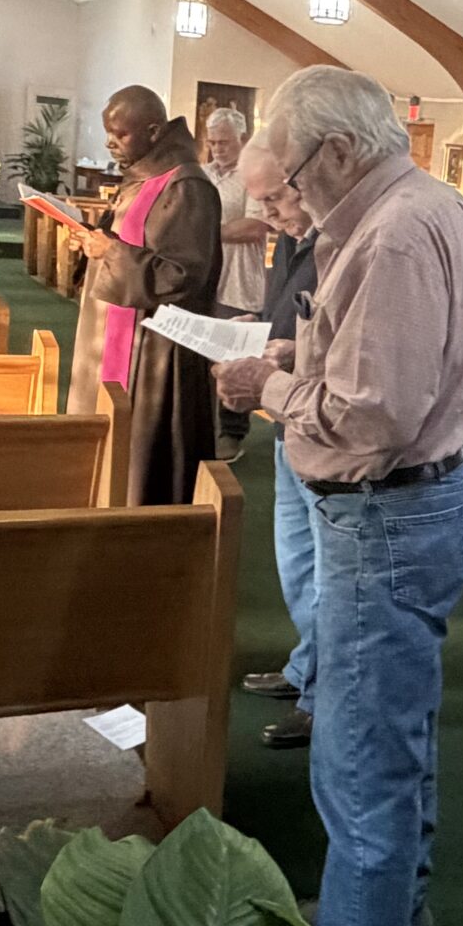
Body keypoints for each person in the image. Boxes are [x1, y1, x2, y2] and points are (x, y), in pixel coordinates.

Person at [211, 66, 463, 926]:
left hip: (385, 512)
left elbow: (372, 416)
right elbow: (406, 358)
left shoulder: (391, 234)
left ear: (337, 150)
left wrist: (265, 389)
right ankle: (393, 919)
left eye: (292, 177)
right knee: (393, 733)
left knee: (360, 755)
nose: (290, 200)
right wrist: (298, 358)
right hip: (415, 505)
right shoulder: (428, 205)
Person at [65, 86, 222, 506]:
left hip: (154, 347)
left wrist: (111, 252)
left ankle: (139, 516)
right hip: (119, 331)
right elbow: (127, 241)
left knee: (143, 458)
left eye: (120, 133)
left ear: (153, 131)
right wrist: (91, 243)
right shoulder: (142, 177)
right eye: (108, 133)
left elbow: (182, 274)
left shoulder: (186, 186)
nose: (110, 142)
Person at [235, 135, 326, 751]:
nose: (267, 214)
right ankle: (304, 667)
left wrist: (294, 351)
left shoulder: (343, 238)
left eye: (273, 199)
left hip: (320, 421)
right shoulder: (295, 233)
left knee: (323, 570)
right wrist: (260, 330)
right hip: (287, 410)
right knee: (295, 560)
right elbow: (294, 308)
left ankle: (322, 696)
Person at [203, 107, 270, 460]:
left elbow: (255, 227)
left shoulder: (252, 175)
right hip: (206, 280)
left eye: (224, 142)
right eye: (212, 142)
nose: (217, 148)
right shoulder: (203, 174)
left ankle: (231, 432)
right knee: (202, 357)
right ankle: (202, 428)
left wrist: (202, 231)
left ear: (242, 139)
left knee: (234, 359)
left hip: (239, 282)